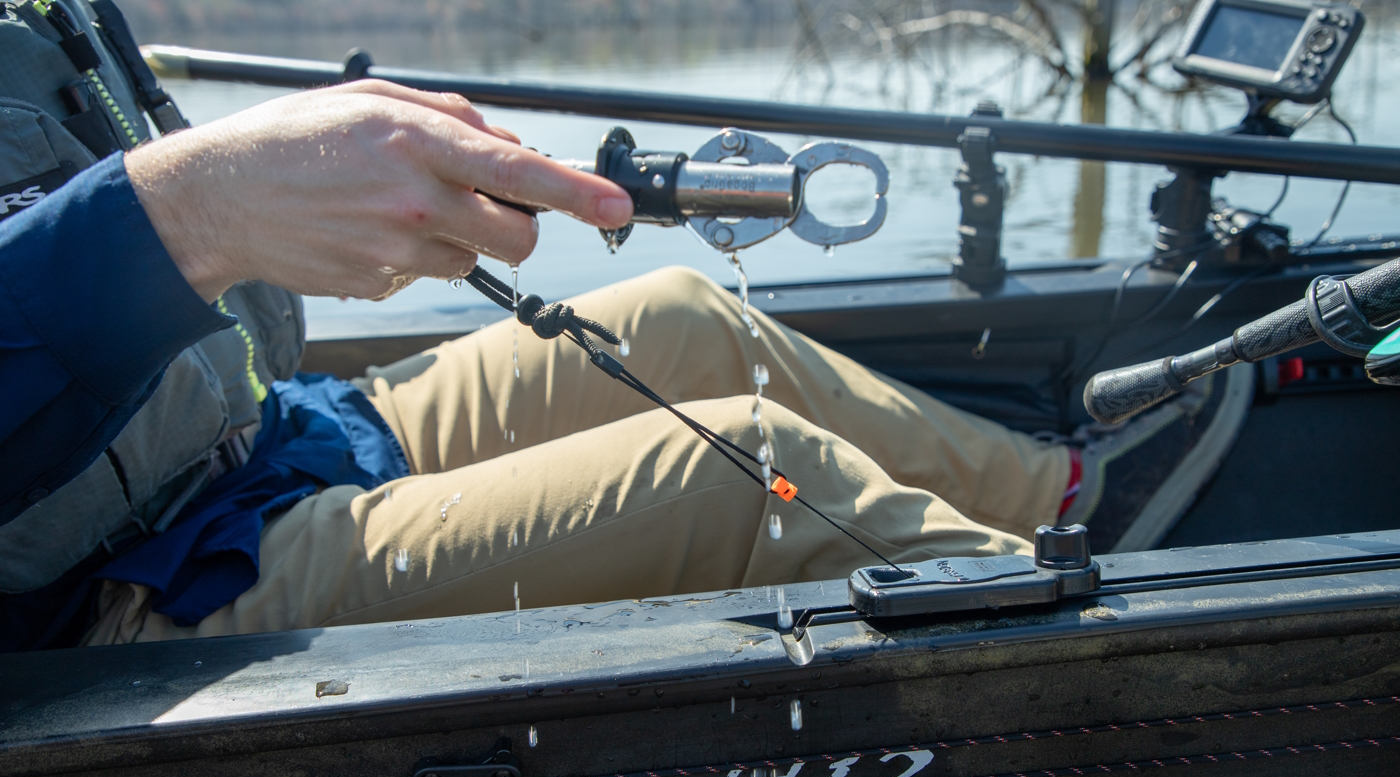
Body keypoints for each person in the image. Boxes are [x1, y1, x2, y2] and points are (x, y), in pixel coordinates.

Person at [0, 0, 1245, 650]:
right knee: (749, 468)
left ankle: (1070, 498)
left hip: (266, 444)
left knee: (687, 319)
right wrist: (192, 211)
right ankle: (1122, 671)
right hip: (119, 590)